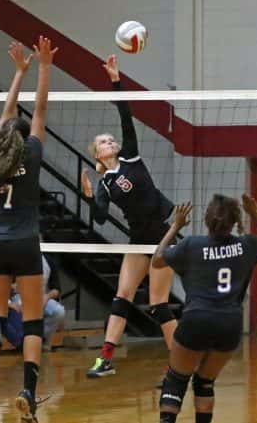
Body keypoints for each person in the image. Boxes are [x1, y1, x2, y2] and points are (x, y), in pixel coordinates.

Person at [0, 36, 56, 423]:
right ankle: (28, 390)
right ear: (24, 140)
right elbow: (39, 109)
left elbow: (9, 115)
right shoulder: (32, 155)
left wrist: (18, 72)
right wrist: (43, 67)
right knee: (34, 322)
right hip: (25, 244)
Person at [81, 55, 176, 378]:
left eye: (111, 140)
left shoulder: (131, 158)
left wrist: (115, 81)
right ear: (97, 154)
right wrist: (91, 197)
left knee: (158, 304)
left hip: (162, 237)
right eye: (104, 142)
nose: (111, 142)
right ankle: (105, 359)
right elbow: (101, 219)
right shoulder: (105, 183)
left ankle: (178, 364)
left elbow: (126, 116)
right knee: (121, 297)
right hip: (138, 240)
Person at [151, 194, 257, 423]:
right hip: (230, 325)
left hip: (196, 320)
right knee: (204, 382)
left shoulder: (191, 245)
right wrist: (255, 213)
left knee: (176, 379)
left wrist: (175, 225)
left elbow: (157, 259)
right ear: (234, 220)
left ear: (207, 219)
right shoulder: (247, 244)